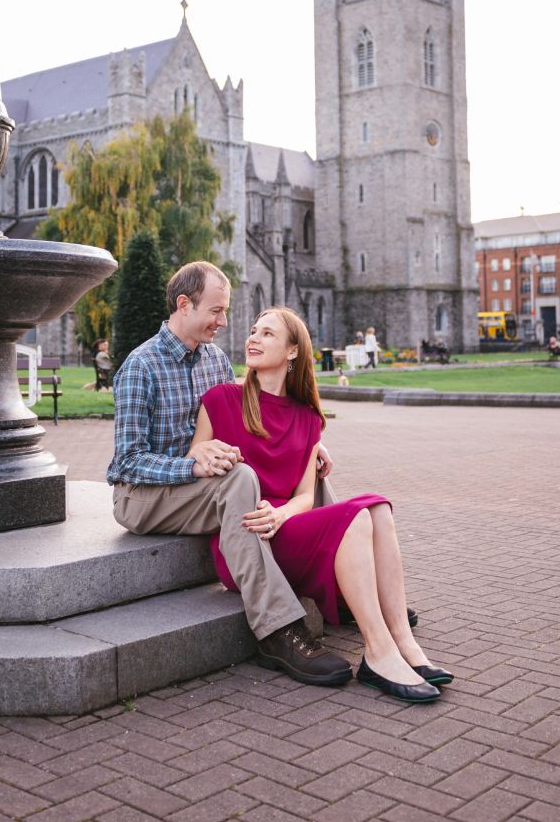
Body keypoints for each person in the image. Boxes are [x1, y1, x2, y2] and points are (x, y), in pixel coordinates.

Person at [109, 262, 350, 687]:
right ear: (184, 305)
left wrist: (308, 445)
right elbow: (125, 464)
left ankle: (341, 589)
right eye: (216, 311)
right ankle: (276, 629)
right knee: (239, 479)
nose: (225, 322)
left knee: (311, 472)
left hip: (199, 487)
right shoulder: (140, 366)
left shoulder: (215, 360)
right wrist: (191, 464)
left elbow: (249, 414)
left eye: (225, 311)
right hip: (143, 497)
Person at [193, 306, 452, 703]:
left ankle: (404, 643)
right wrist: (206, 457)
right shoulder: (220, 399)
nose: (253, 339)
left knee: (378, 508)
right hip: (247, 537)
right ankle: (379, 652)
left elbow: (302, 496)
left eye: (267, 334)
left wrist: (280, 513)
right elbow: (198, 458)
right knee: (357, 516)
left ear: (293, 351)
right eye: (253, 331)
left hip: (287, 524)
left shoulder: (308, 417)